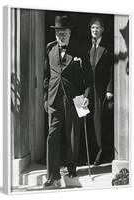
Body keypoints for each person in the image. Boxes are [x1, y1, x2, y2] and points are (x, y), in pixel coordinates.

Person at [43, 15, 92, 187]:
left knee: (73, 137)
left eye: (63, 32)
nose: (60, 35)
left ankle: (71, 169)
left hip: (76, 98)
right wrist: (45, 99)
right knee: (52, 137)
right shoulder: (49, 49)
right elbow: (46, 77)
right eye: (57, 32)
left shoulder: (80, 50)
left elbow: (89, 78)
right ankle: (52, 175)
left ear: (70, 32)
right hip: (54, 99)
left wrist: (86, 97)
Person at [87, 17, 114, 165]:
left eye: (97, 28)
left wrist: (110, 89)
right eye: (92, 28)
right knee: (89, 121)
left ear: (102, 29)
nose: (94, 30)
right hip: (88, 90)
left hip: (102, 90)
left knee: (100, 122)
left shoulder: (108, 46)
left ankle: (101, 155)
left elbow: (112, 69)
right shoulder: (87, 46)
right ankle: (90, 155)